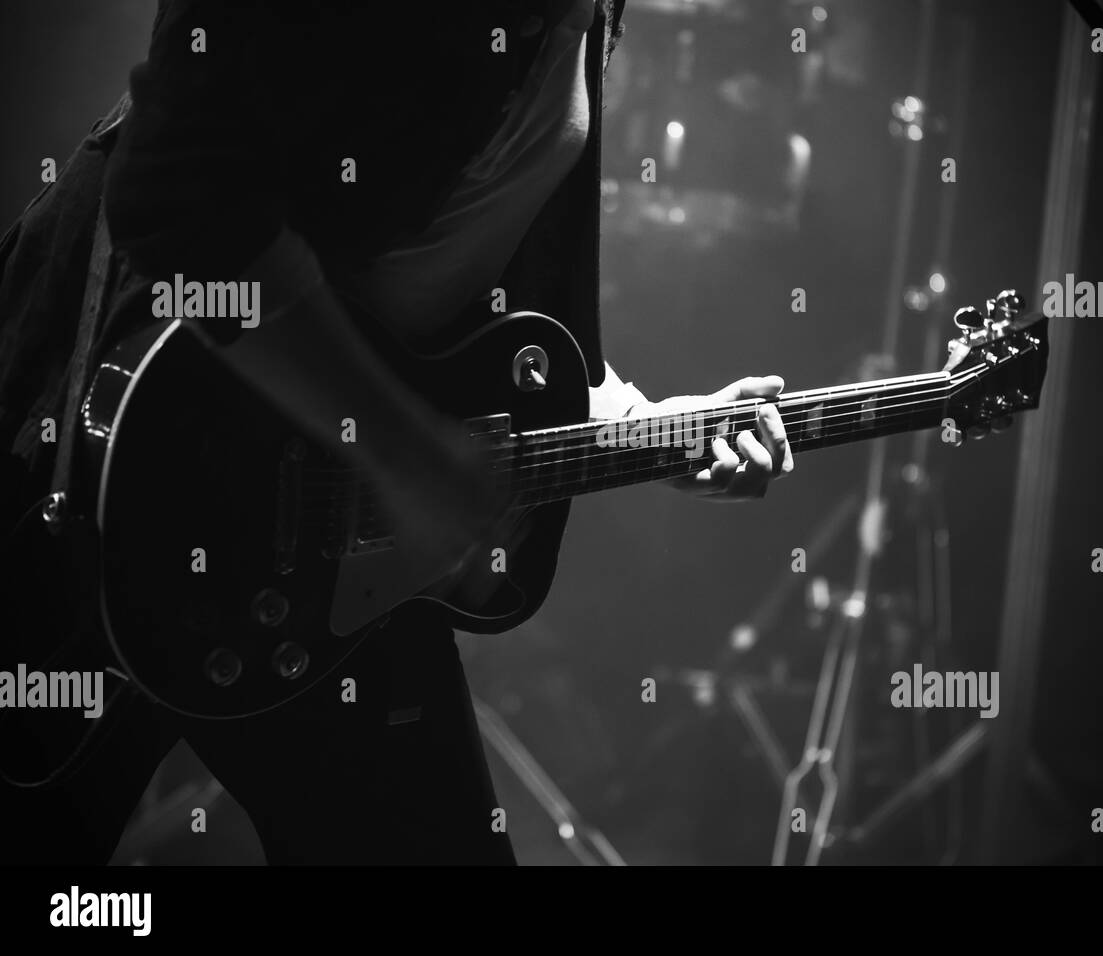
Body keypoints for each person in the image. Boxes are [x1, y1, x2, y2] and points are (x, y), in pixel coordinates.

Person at [0, 0, 793, 865]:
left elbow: (472, 284)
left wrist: (639, 423)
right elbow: (173, 194)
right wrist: (401, 452)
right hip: (105, 463)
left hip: (317, 556)